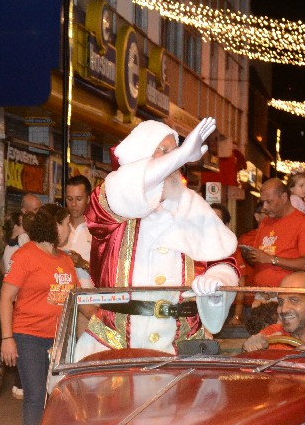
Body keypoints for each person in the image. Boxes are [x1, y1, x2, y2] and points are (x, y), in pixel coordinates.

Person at [77, 117, 238, 356]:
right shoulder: (111, 204)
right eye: (162, 151)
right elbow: (128, 186)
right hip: (116, 345)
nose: (173, 159)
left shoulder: (194, 207)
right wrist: (181, 155)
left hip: (182, 347)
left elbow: (224, 259)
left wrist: (218, 279)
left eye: (175, 152)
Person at [0, 204, 77, 425]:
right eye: (66, 224)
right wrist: (7, 338)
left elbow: (78, 303)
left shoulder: (66, 260)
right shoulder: (25, 256)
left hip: (59, 340)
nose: (70, 229)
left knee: (59, 398)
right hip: (28, 337)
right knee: (34, 397)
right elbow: (6, 298)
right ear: (54, 226)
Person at [241, 270, 305, 360]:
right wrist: (248, 350)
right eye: (280, 302)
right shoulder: (269, 335)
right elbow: (247, 377)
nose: (284, 310)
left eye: (294, 300)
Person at [241, 178, 305, 287]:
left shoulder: (304, 222)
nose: (265, 207)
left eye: (269, 201)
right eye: (262, 202)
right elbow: (260, 258)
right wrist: (250, 256)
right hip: (261, 293)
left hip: (286, 294)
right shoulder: (266, 221)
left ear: (284, 197)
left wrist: (271, 259)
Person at [63, 175, 93, 265]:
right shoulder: (58, 227)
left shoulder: (98, 230)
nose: (73, 204)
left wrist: (83, 263)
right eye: (69, 199)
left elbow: (107, 271)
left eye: (79, 199)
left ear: (88, 199)